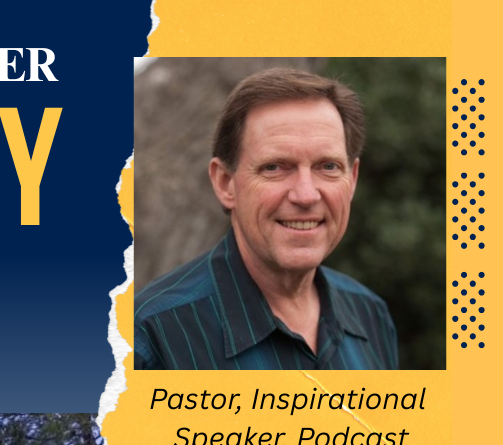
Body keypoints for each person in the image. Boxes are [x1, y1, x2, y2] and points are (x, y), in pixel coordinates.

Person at [134, 69, 398, 370]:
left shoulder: (371, 317)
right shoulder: (150, 337)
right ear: (225, 183)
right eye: (274, 167)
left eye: (328, 166)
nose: (306, 195)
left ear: (352, 180)